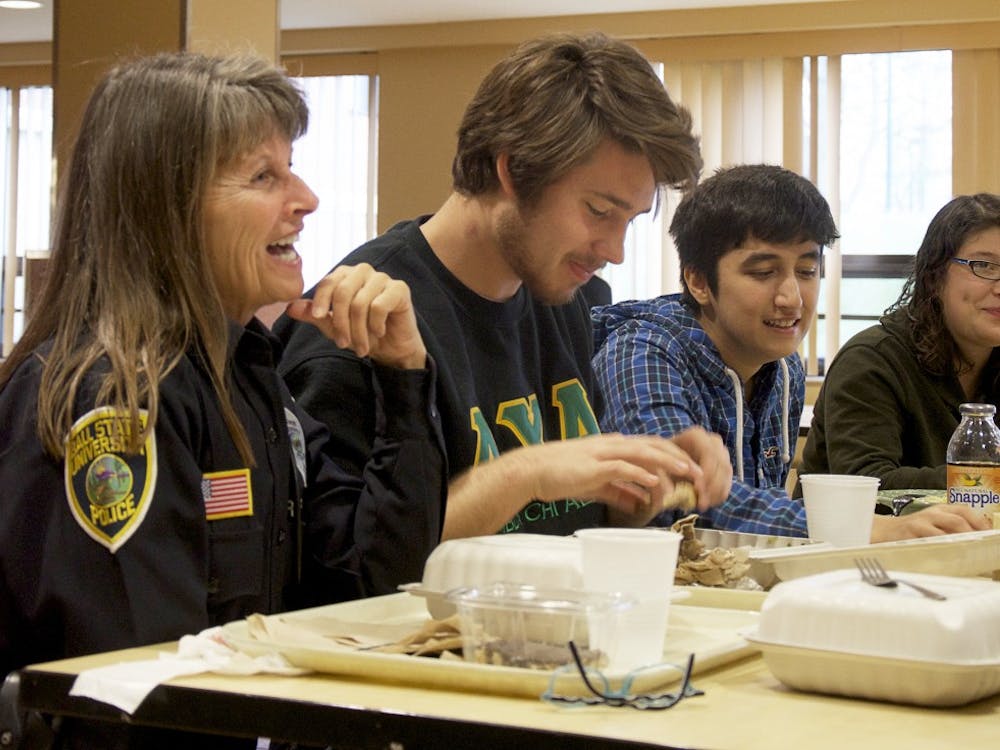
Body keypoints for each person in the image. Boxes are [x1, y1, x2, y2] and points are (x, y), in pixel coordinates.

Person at [0, 52, 445, 748]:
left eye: (289, 165)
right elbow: (140, 696)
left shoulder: (245, 371)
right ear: (165, 209)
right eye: (263, 175)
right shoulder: (115, 400)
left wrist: (404, 376)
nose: (305, 197)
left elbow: (374, 588)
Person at [275, 32, 733, 542]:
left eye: (629, 220)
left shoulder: (562, 298)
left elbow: (570, 522)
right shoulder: (359, 321)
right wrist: (524, 475)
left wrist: (645, 479)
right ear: (514, 169)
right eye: (599, 211)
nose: (614, 250)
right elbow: (352, 568)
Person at [592, 164, 837, 538]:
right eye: (763, 273)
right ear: (699, 281)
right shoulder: (643, 351)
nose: (791, 299)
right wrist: (847, 529)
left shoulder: (784, 365)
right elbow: (676, 500)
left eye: (806, 271)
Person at [800, 193, 998, 537]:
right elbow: (867, 482)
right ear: (935, 276)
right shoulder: (872, 360)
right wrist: (986, 478)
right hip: (853, 564)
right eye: (985, 266)